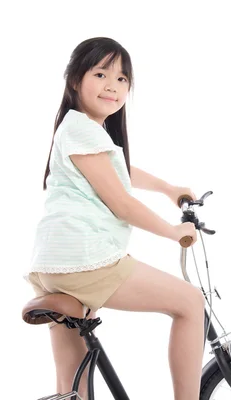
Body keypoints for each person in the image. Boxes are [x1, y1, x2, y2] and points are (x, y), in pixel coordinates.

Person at [24, 37, 205, 400]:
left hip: (52, 264)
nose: (112, 85)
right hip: (83, 260)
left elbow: (118, 170)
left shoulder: (82, 130)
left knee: (72, 388)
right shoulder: (80, 128)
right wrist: (173, 232)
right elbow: (121, 202)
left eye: (122, 79)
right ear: (75, 80)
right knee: (190, 303)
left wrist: (168, 188)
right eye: (101, 73)